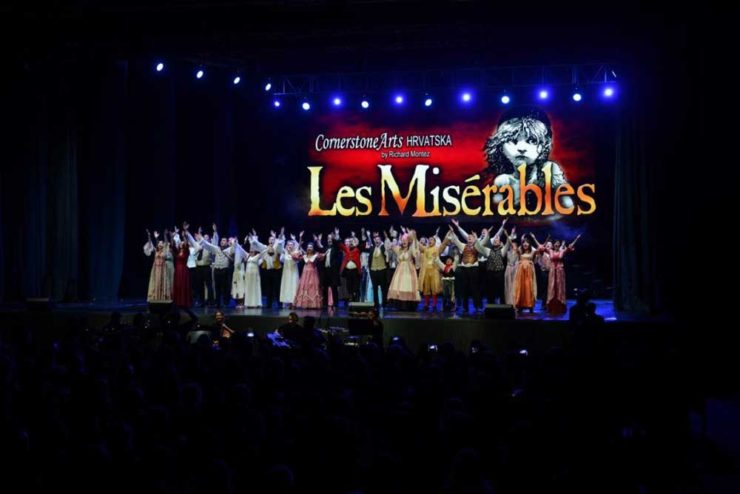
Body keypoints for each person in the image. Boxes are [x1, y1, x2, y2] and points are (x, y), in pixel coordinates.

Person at [483, 106, 573, 210]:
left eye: (532, 140)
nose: (522, 148)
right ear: (500, 146)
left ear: (544, 145)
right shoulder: (502, 180)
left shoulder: (550, 170)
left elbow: (568, 205)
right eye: (513, 140)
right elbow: (496, 212)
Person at [143, 229, 174, 303]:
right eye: (159, 243)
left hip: (163, 269)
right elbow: (151, 243)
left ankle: (162, 296)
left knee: (162, 283)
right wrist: (149, 236)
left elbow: (166, 243)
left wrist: (165, 235)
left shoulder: (165, 251)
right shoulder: (155, 250)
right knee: (156, 283)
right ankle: (155, 296)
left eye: (161, 243)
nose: (160, 244)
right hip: (156, 269)